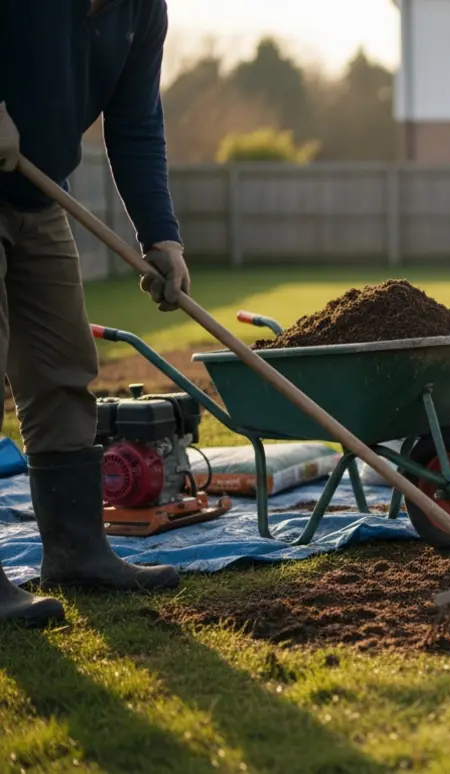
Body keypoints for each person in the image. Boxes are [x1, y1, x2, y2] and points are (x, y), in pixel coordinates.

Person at [0, 0, 193, 627]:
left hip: (37, 198)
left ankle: (77, 551)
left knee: (64, 371)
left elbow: (136, 123)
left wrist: (161, 237)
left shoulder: (142, 12)